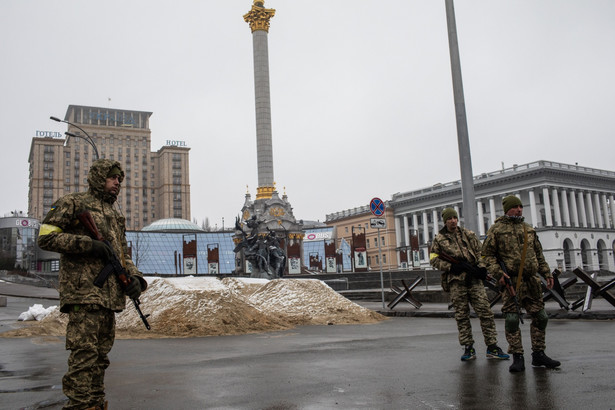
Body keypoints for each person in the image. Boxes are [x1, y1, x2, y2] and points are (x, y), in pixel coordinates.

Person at [38, 159, 147, 409]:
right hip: (83, 294)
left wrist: (136, 280)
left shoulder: (113, 214)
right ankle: (79, 405)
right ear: (99, 178)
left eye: (120, 179)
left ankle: (95, 404)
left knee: (100, 358)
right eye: (112, 177)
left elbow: (121, 255)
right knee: (83, 357)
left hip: (108, 298)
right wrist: (88, 244)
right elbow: (46, 237)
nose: (117, 182)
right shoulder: (73, 203)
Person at [482, 195, 561, 372]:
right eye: (515, 206)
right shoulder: (496, 230)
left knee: (541, 317)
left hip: (531, 280)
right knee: (511, 319)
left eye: (520, 206)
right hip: (511, 281)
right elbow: (487, 256)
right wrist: (498, 273)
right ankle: (517, 356)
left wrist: (547, 273)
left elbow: (538, 254)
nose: (519, 209)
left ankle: (539, 354)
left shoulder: (529, 229)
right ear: (507, 209)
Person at [430, 208, 509, 362]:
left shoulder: (469, 234)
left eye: (455, 217)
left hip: (474, 279)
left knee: (485, 312)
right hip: (456, 282)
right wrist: (451, 267)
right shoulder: (439, 239)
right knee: (462, 315)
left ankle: (492, 346)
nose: (453, 220)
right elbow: (433, 259)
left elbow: (481, 253)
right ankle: (468, 347)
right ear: (445, 221)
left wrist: (481, 268)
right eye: (450, 218)